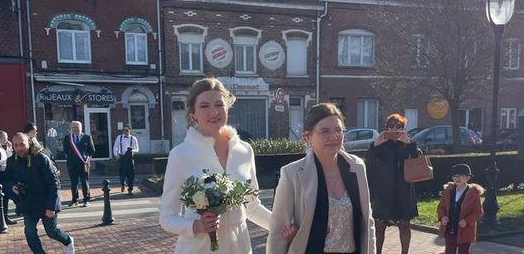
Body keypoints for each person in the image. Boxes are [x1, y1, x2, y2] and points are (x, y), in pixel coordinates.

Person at [159, 77, 272, 253]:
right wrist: (196, 225)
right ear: (192, 114)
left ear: (227, 107)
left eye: (219, 104)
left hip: (239, 246)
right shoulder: (181, 155)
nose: (214, 112)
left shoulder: (245, 151)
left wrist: (282, 227)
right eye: (204, 106)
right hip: (199, 248)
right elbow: (167, 218)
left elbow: (252, 207)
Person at [267, 102, 376, 254]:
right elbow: (277, 233)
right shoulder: (292, 174)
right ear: (308, 137)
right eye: (325, 131)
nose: (334, 136)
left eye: (338, 130)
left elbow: (367, 223)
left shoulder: (357, 167)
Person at [8, 132, 75, 254]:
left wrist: (51, 207)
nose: (19, 148)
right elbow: (6, 180)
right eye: (16, 145)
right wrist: (12, 187)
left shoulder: (41, 158)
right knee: (30, 232)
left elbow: (54, 183)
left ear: (28, 142)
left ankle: (67, 240)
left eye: (22, 144)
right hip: (28, 204)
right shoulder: (12, 161)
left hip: (46, 201)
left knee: (51, 232)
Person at [365, 114, 419, 254]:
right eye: (391, 126)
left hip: (403, 189)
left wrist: (410, 144)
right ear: (386, 127)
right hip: (384, 190)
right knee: (380, 225)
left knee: (405, 224)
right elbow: (368, 162)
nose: (395, 129)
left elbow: (417, 160)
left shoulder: (408, 143)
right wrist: (375, 145)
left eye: (399, 127)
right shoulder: (380, 144)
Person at [437, 164, 484, 254]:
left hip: (465, 229)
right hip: (450, 228)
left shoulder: (473, 193)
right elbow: (441, 207)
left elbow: (478, 212)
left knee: (463, 251)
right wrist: (442, 217)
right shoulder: (448, 191)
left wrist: (466, 221)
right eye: (455, 176)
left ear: (468, 178)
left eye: (461, 176)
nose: (457, 178)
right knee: (449, 251)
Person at [63, 121, 95, 207]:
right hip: (72, 164)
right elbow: (65, 150)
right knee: (73, 182)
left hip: (84, 163)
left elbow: (92, 150)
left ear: (81, 128)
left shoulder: (87, 137)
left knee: (85, 182)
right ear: (71, 128)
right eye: (74, 127)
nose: (76, 129)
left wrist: (86, 157)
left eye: (77, 127)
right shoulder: (67, 138)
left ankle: (86, 199)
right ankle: (74, 200)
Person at [113, 124, 139, 195]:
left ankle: (130, 189)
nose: (125, 131)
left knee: (131, 174)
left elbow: (137, 149)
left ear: (129, 130)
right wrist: (116, 154)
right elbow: (116, 146)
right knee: (121, 173)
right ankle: (122, 184)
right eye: (124, 130)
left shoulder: (133, 138)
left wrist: (132, 151)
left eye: (127, 130)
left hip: (130, 158)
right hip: (122, 157)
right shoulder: (119, 137)